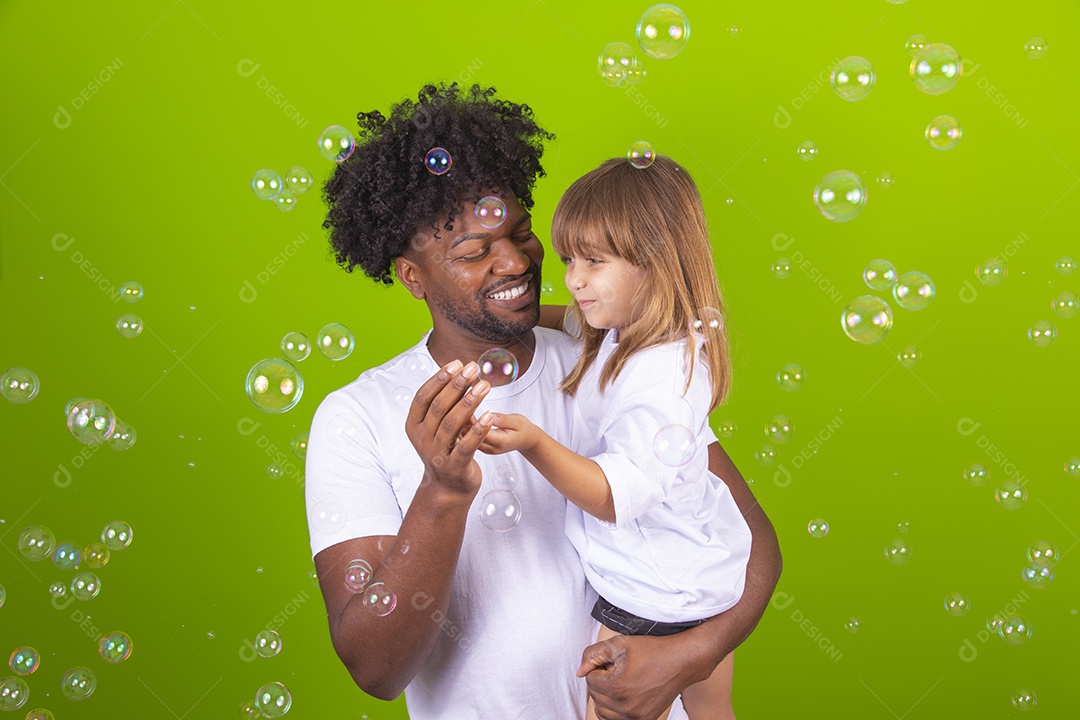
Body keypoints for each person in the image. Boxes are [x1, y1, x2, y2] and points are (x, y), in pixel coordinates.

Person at [305, 82, 782, 720]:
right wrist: (443, 489)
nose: (513, 262)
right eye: (473, 252)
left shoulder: (609, 359)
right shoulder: (358, 417)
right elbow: (374, 668)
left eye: (522, 234)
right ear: (412, 276)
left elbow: (751, 540)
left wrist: (689, 658)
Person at [477, 154, 751, 720]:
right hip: (704, 583)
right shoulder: (632, 335)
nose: (574, 279)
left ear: (654, 262)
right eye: (569, 259)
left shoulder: (659, 379)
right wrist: (502, 315)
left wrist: (533, 441)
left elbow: (615, 497)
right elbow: (570, 321)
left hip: (650, 597)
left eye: (594, 263)